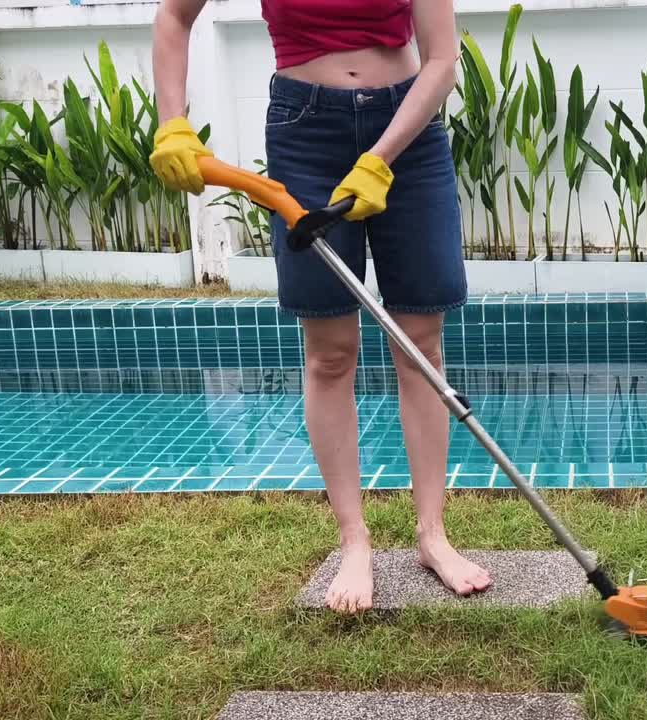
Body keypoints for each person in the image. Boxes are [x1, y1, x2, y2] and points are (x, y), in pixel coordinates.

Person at [149, 0, 492, 614]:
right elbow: (174, 15)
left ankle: (432, 535)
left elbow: (442, 60)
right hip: (306, 133)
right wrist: (170, 122)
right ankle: (354, 540)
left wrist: (379, 159)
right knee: (330, 352)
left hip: (407, 130)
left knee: (420, 343)